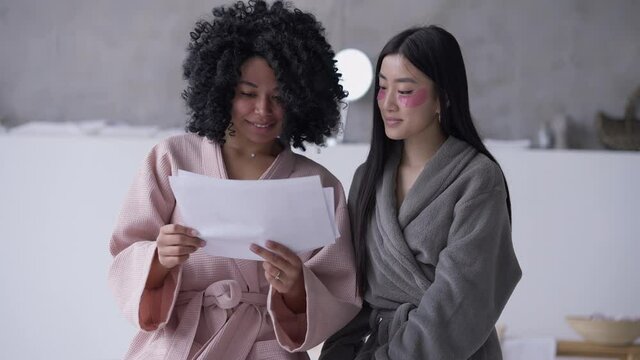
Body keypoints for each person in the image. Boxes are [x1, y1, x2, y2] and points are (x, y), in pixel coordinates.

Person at [108, 1, 361, 359]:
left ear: (301, 99)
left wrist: (295, 289)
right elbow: (124, 253)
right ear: (222, 89)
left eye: (279, 97)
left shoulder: (318, 184)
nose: (263, 110)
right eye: (247, 94)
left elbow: (340, 289)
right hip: (183, 340)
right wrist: (158, 258)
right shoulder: (172, 159)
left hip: (268, 347)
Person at [320, 26, 522, 359]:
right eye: (382, 89)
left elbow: (461, 298)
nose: (387, 104)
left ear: (443, 98)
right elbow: (350, 290)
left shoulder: (478, 179)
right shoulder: (367, 177)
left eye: (405, 90)